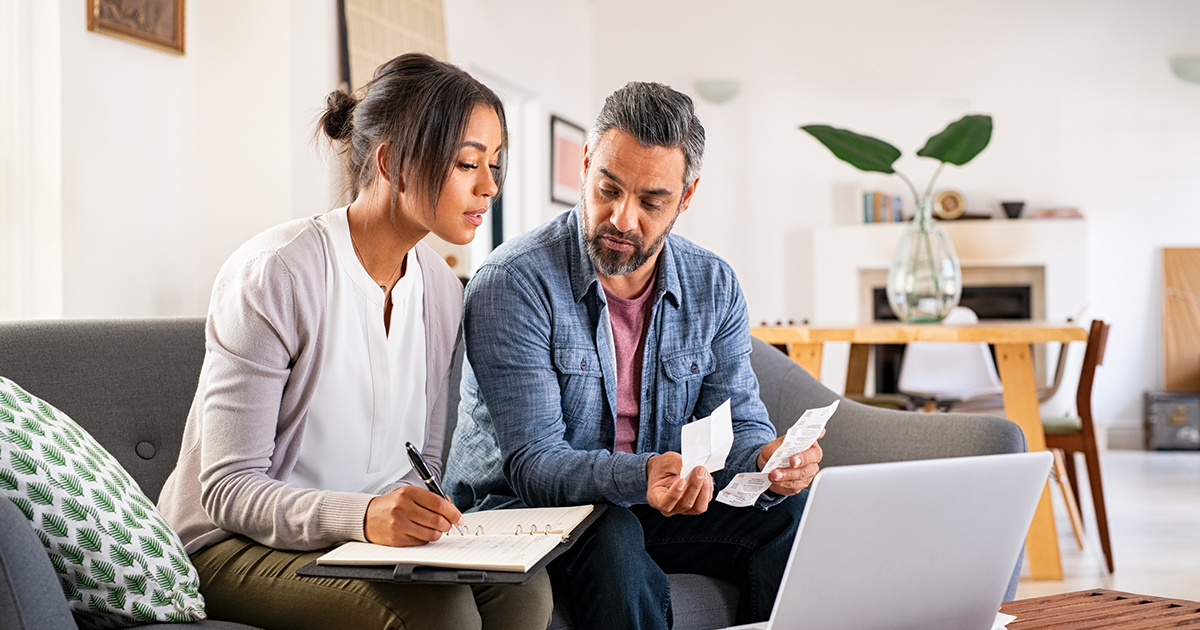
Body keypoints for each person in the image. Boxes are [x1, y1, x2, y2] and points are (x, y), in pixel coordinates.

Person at [157, 53, 554, 630]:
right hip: (232, 546)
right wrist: (364, 517)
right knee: (440, 615)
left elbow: (426, 461)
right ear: (390, 161)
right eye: (468, 163)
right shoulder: (276, 274)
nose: (489, 186)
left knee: (526, 593)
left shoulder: (444, 291)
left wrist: (420, 519)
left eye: (494, 164)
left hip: (364, 543)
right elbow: (228, 489)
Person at [443, 82, 823, 630]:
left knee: (788, 515)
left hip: (649, 503)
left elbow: (736, 419)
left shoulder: (713, 283)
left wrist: (768, 458)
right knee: (613, 531)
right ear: (585, 165)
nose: (622, 219)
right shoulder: (513, 282)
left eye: (651, 202)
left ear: (686, 197)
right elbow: (534, 466)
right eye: (608, 189)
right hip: (520, 514)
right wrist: (644, 474)